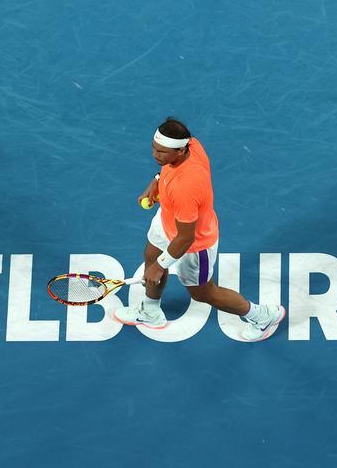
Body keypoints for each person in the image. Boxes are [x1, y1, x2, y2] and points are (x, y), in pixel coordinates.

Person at [113, 117, 286, 341]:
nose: (156, 155)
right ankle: (150, 312)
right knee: (151, 254)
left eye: (162, 152)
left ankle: (263, 316)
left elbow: (185, 238)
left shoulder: (186, 187)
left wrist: (160, 266)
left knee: (203, 293)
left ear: (180, 151)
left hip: (194, 245)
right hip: (167, 218)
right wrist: (157, 180)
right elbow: (167, 166)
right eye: (155, 149)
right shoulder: (190, 145)